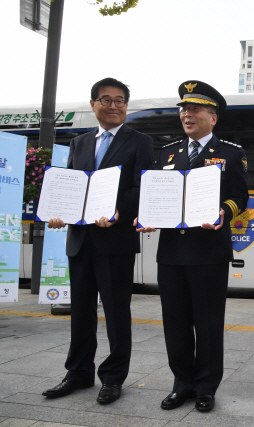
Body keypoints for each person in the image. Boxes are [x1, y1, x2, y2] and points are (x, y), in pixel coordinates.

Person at [136, 80, 248, 412]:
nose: (187, 114)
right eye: (184, 109)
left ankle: (206, 387)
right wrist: (147, 216)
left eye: (195, 109)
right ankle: (181, 383)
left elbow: (240, 197)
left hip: (209, 252)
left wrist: (222, 212)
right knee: (174, 320)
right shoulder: (168, 152)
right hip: (171, 252)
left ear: (213, 117)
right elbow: (158, 195)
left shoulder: (230, 153)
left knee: (209, 322)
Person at [42, 77, 155, 404]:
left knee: (117, 312)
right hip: (80, 240)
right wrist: (58, 211)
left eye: (120, 100)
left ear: (126, 106)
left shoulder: (140, 142)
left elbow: (141, 186)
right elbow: (70, 185)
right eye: (106, 99)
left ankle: (113, 378)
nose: (114, 106)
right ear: (93, 104)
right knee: (80, 311)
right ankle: (78, 373)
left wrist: (118, 211)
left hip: (115, 240)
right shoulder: (79, 143)